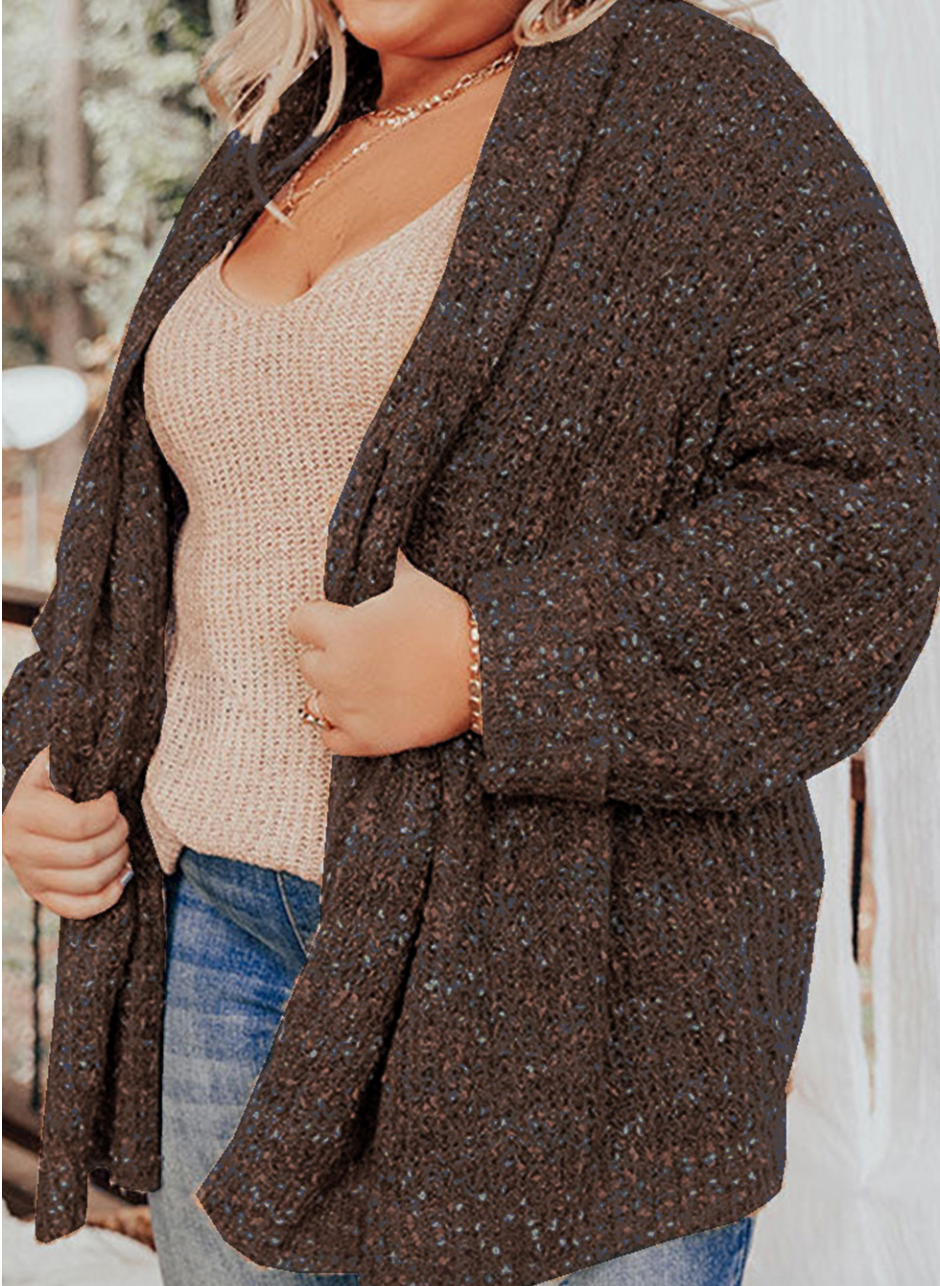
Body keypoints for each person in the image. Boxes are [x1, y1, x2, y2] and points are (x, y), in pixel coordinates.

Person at [4, 0, 937, 1284]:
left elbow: (870, 517)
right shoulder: (284, 131)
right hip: (218, 927)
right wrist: (49, 745)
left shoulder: (699, 106)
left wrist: (497, 659)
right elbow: (155, 526)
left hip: (565, 974)